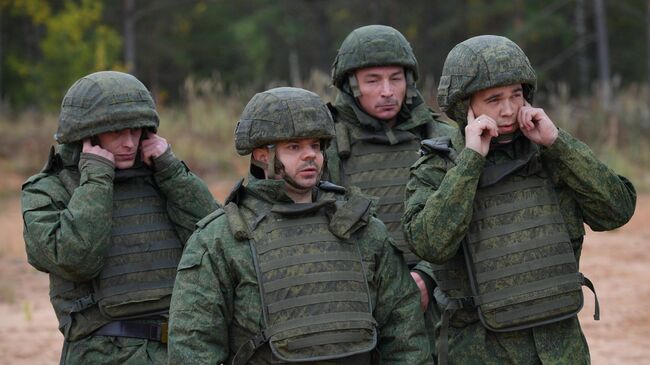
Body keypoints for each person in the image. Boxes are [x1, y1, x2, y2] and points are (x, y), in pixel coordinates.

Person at [402, 35, 637, 364]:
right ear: (463, 105)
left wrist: (557, 143)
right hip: (480, 350)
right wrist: (470, 161)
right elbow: (430, 243)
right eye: (494, 99)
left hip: (560, 348)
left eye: (516, 94)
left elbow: (617, 211)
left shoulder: (550, 154)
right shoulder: (438, 166)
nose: (509, 109)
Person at [168, 87, 429, 364]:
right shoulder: (222, 239)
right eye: (294, 147)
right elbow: (193, 348)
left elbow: (405, 335)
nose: (310, 156)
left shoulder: (361, 228)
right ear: (261, 155)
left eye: (315, 145)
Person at [21, 71, 219, 364]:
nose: (129, 142)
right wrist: (97, 179)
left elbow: (216, 243)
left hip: (178, 350)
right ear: (85, 135)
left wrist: (172, 172)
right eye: (117, 132)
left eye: (136, 130)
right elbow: (76, 258)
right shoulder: (48, 189)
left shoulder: (164, 178)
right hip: (102, 353)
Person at [327, 24, 454, 356]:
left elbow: (469, 221)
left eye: (395, 79)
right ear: (352, 85)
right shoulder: (322, 146)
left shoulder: (442, 139)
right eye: (373, 80)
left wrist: (428, 277)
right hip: (356, 305)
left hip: (438, 303)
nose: (387, 91)